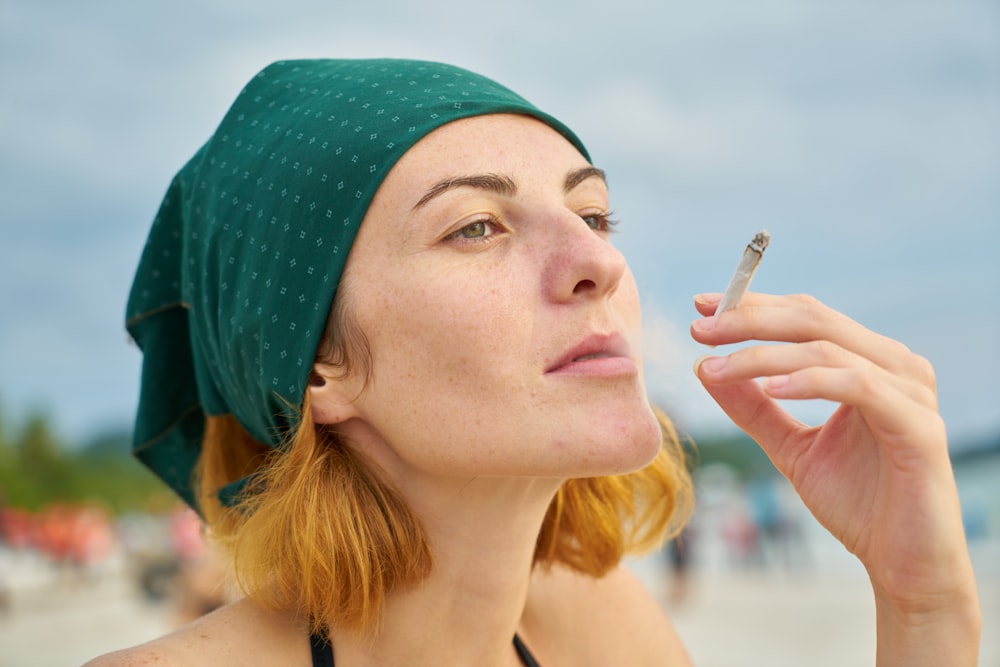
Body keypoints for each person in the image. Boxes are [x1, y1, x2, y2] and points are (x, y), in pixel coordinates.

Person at [86, 58, 980, 666]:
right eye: (476, 225)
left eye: (593, 215)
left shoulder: (600, 632)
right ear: (317, 364)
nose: (603, 261)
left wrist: (923, 601)